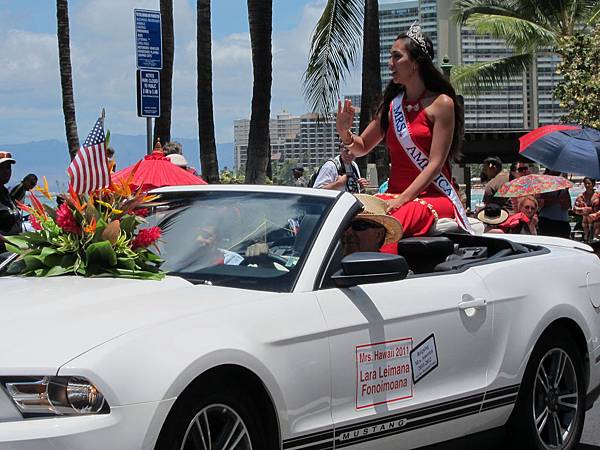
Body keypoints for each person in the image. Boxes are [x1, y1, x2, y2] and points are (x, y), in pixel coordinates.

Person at [335, 23, 472, 245]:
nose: (390, 64)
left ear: (416, 62)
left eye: (397, 57)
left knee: (383, 226)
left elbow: (435, 164)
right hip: (393, 196)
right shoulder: (392, 105)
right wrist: (345, 133)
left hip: (433, 196)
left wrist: (403, 199)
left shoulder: (442, 104)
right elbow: (361, 146)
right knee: (345, 217)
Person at [538, 169, 572, 239]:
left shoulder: (563, 182)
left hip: (563, 222)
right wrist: (557, 199)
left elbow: (567, 205)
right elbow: (541, 202)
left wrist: (564, 199)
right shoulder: (543, 181)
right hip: (547, 221)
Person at [0, 151, 23, 253]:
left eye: (8, 167)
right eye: (1, 168)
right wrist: (13, 243)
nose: (6, 171)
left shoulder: (6, 193)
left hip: (15, 252)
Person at [573, 177, 599, 242]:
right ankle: (587, 236)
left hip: (597, 219)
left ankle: (594, 236)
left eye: (588, 183)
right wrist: (583, 210)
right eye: (585, 184)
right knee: (585, 217)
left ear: (593, 184)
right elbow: (575, 208)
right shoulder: (580, 196)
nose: (587, 185)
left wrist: (595, 214)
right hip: (585, 220)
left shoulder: (598, 196)